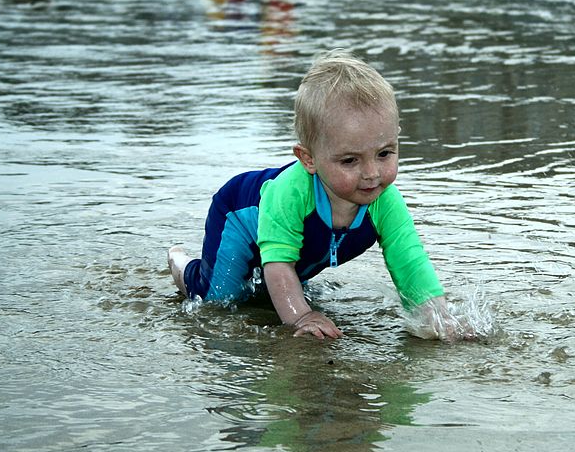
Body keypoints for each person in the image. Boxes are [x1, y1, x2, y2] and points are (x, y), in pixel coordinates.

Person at [168, 49, 463, 340]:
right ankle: (186, 270)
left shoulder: (384, 200)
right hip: (239, 217)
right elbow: (279, 263)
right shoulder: (290, 193)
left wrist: (437, 317)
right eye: (350, 160)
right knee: (220, 301)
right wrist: (301, 316)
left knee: (273, 295)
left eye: (384, 153)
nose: (372, 173)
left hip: (301, 248)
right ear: (308, 159)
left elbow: (409, 261)